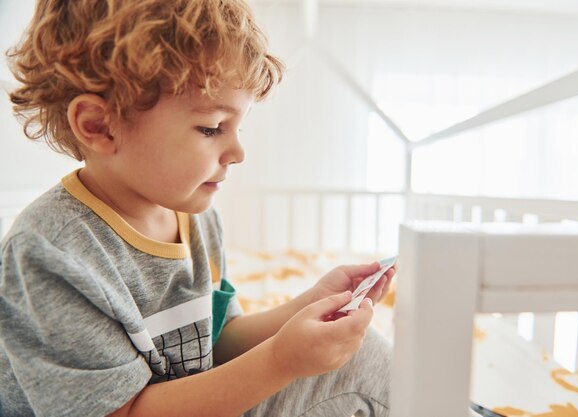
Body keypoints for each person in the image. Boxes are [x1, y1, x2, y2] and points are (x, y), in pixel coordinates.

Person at [0, 0, 396, 416]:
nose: (238, 151)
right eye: (211, 128)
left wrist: (307, 306)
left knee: (361, 357)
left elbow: (217, 340)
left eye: (237, 127)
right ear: (100, 125)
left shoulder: (195, 216)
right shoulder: (51, 253)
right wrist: (281, 361)